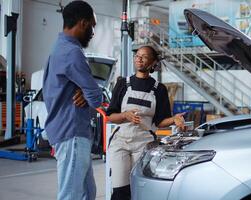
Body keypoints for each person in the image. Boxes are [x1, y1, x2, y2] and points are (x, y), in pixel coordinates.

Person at [107, 45, 186, 200]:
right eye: (137, 55)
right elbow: (110, 116)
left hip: (144, 145)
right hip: (121, 142)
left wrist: (174, 119)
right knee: (120, 191)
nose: (139, 58)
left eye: (144, 56)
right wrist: (125, 115)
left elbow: (160, 121)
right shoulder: (123, 83)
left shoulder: (159, 89)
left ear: (152, 63)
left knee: (139, 189)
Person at [42, 1, 102, 200]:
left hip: (68, 130)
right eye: (92, 26)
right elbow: (95, 97)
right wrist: (88, 93)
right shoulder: (72, 53)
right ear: (83, 23)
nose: (93, 32)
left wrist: (84, 92)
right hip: (72, 132)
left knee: (87, 192)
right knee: (71, 195)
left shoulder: (59, 48)